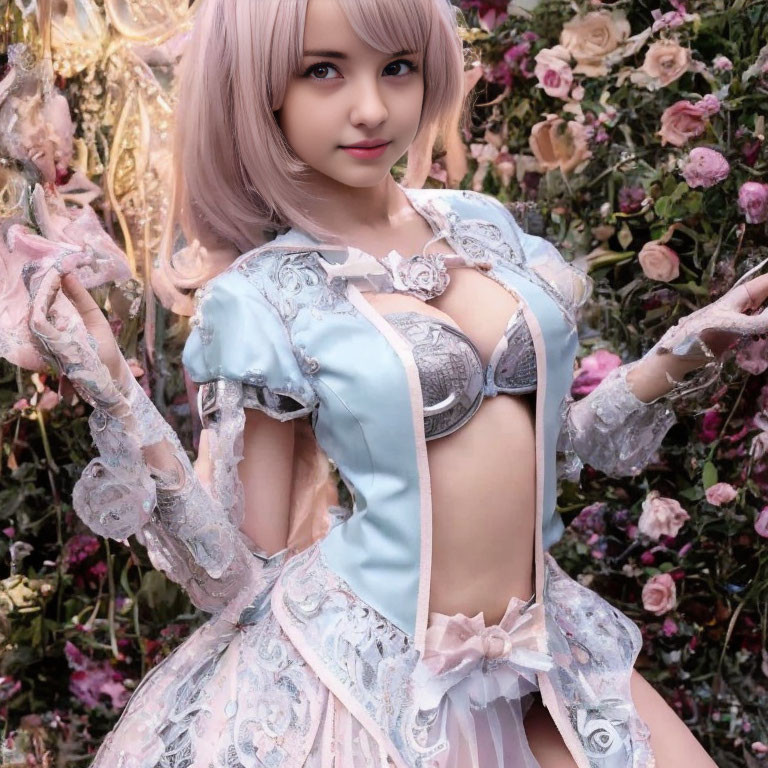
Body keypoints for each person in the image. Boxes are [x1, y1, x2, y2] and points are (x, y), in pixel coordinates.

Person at [14, 0, 768, 765]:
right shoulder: (261, 295)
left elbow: (561, 447)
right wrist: (111, 385)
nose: (372, 108)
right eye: (323, 72)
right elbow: (235, 572)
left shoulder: (487, 228)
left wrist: (686, 349)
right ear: (263, 89)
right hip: (375, 675)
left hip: (544, 648)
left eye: (397, 68)